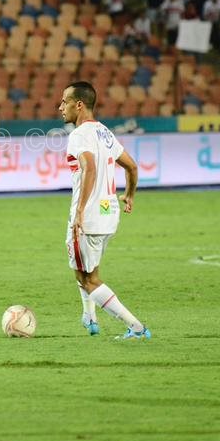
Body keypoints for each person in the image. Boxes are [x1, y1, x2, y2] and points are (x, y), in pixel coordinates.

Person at [58, 81, 149, 339]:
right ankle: (90, 317)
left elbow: (89, 167)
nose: (60, 107)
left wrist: (79, 211)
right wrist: (129, 195)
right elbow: (132, 166)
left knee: (88, 279)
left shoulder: (78, 135)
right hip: (108, 213)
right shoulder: (104, 132)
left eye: (65, 102)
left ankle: (136, 328)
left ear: (79, 105)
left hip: (88, 217)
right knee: (85, 269)